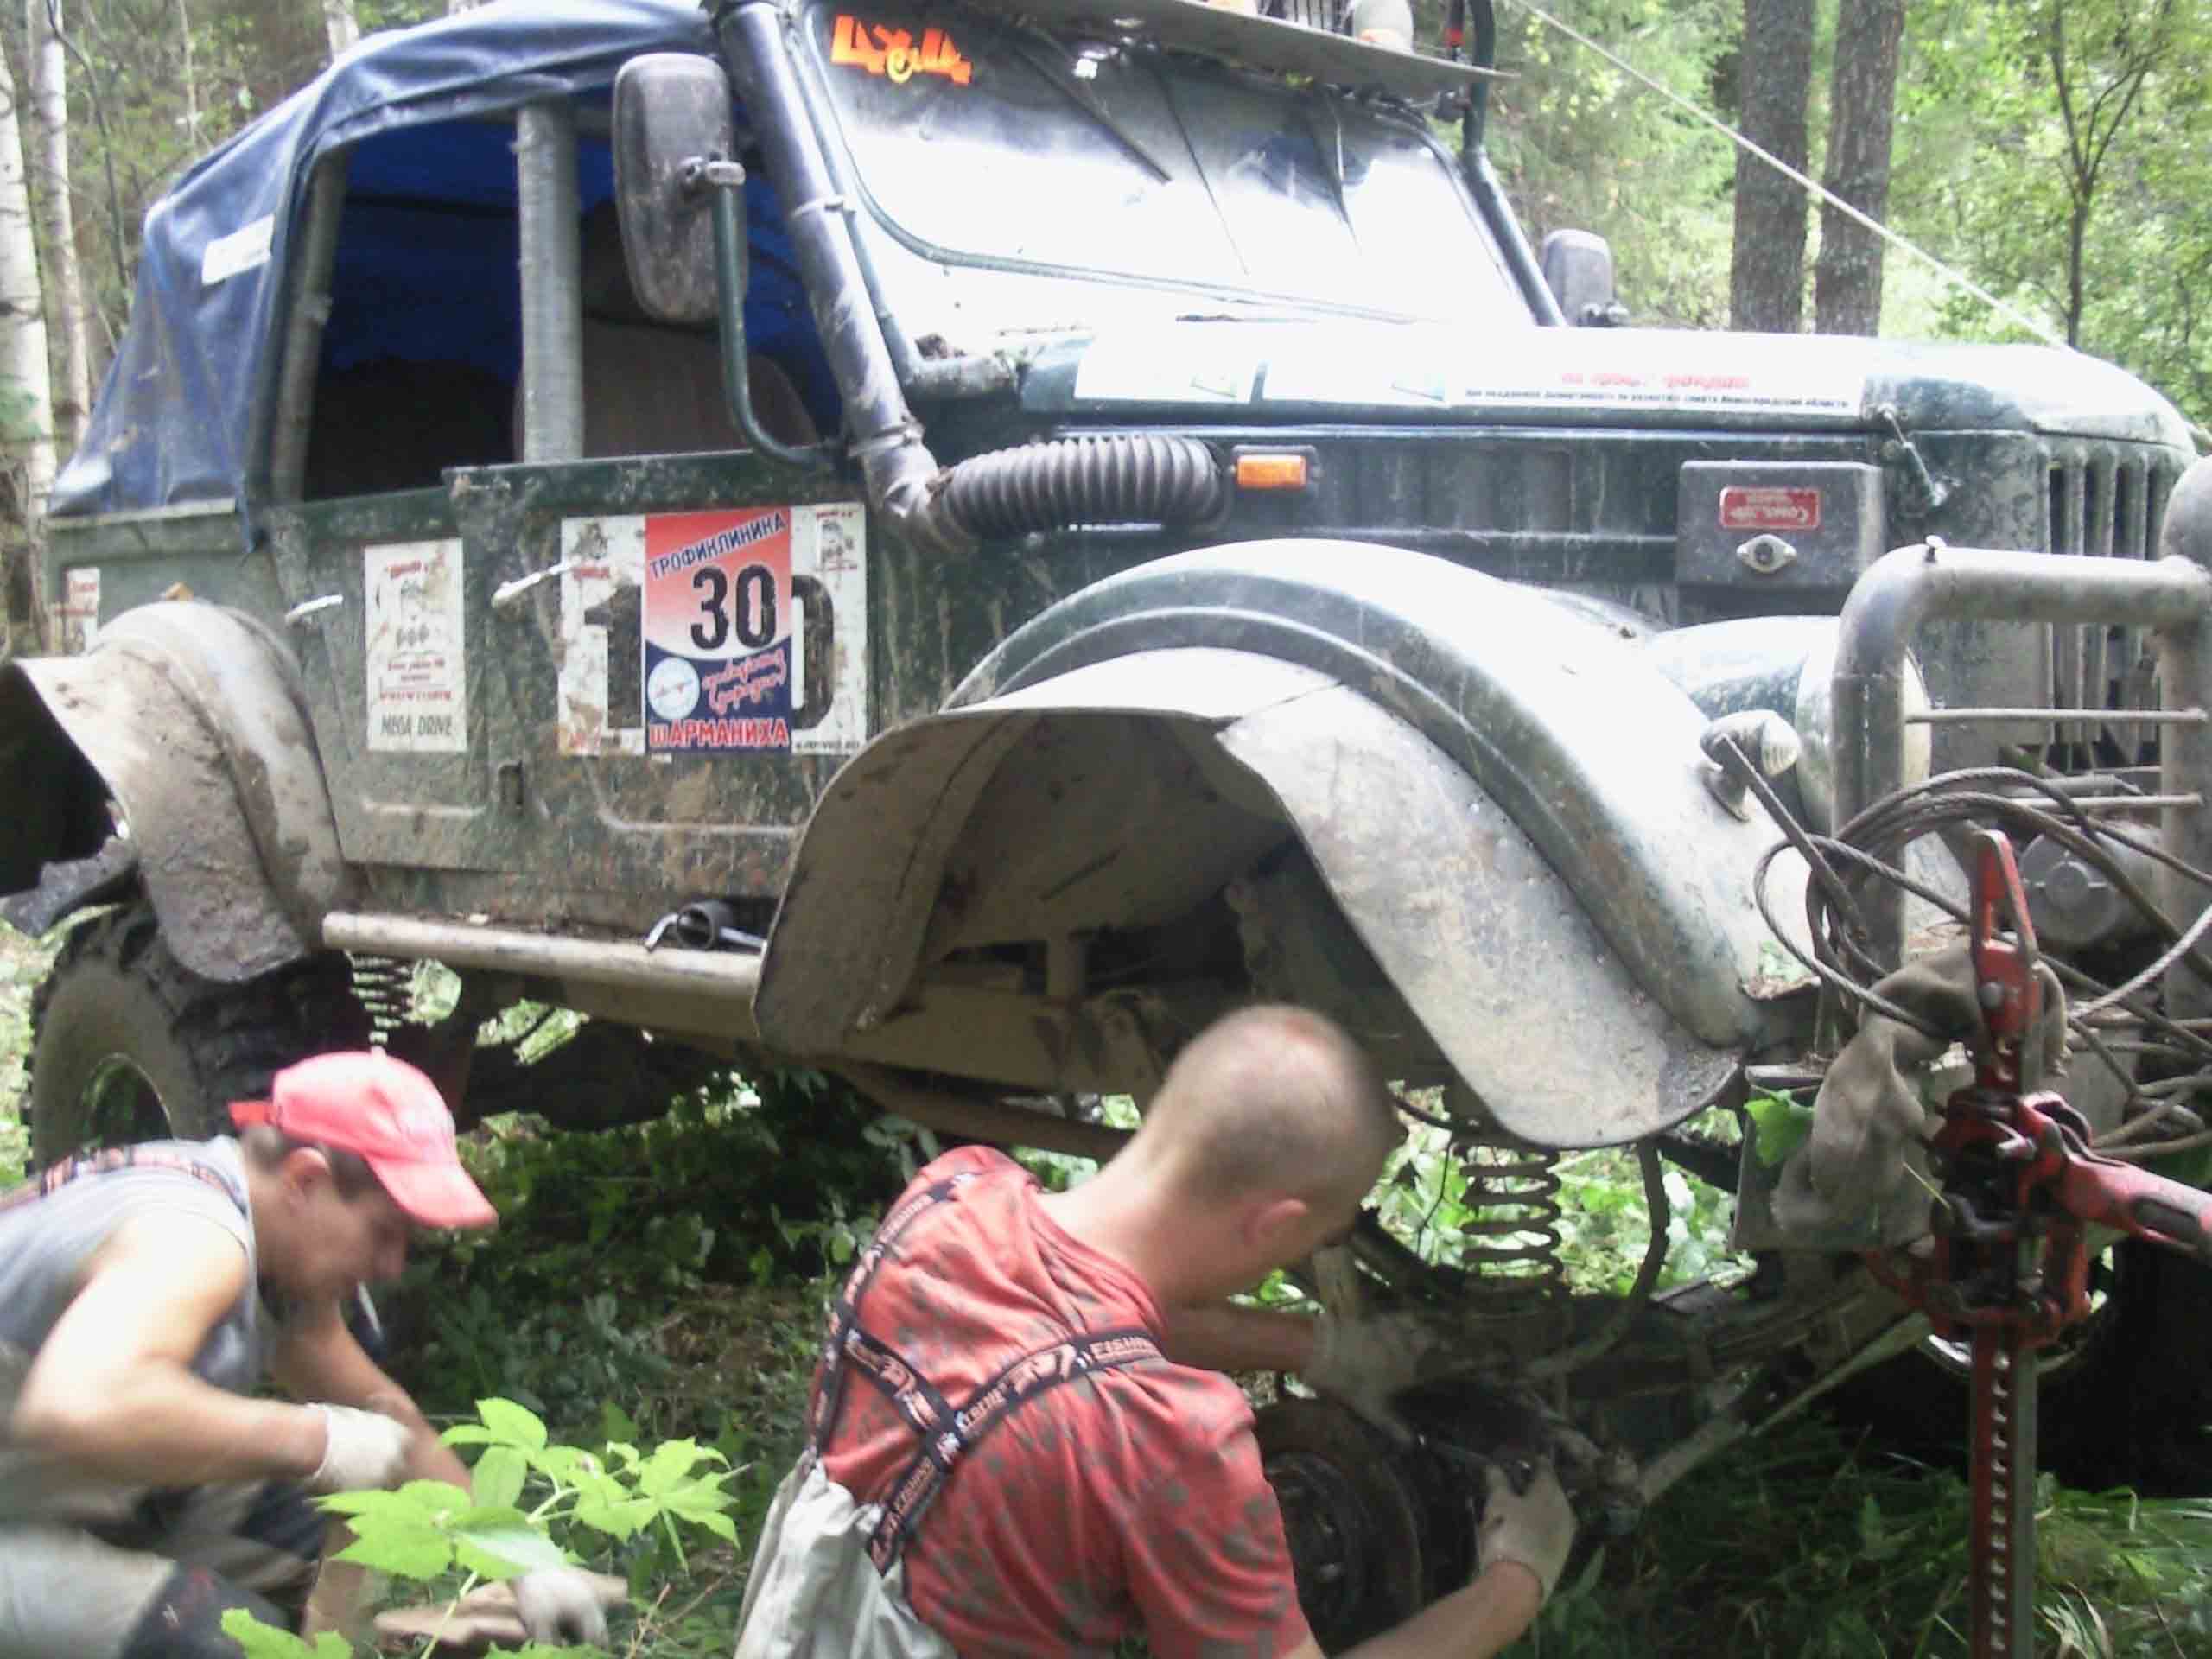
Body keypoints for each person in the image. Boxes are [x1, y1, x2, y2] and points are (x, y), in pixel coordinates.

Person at [735, 1004, 1576, 1658]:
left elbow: (1069, 1332)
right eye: (1319, 1233)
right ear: (1275, 1224)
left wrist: (1316, 1349)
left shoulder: (953, 1197)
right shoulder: (1174, 1443)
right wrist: (1513, 1584)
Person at [0, 1049, 613, 1658]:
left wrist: (525, 1560)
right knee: (229, 1640)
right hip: (26, 1506)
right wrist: (317, 1440)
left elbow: (388, 1420)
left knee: (339, 1524)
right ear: (305, 1181)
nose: (392, 1265)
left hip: (58, 1485)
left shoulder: (271, 1251)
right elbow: (78, 1406)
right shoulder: (193, 1240)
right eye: (383, 1232)